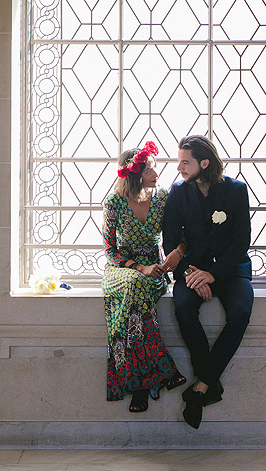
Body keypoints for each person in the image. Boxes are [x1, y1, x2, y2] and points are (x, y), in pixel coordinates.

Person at [162, 134, 254, 429]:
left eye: (185, 162)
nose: (179, 168)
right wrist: (191, 275)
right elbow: (171, 240)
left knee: (240, 311)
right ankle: (209, 384)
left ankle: (201, 386)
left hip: (230, 269)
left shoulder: (236, 191)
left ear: (204, 163)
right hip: (192, 271)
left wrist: (214, 274)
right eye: (179, 162)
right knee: (184, 309)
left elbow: (241, 242)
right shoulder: (177, 193)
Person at [102, 141, 186, 413]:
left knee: (132, 305)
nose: (156, 173)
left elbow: (182, 234)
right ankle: (161, 371)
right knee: (136, 284)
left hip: (155, 268)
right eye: (150, 169)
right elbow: (109, 251)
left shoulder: (161, 198)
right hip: (121, 269)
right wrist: (139, 268)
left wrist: (175, 254)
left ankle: (139, 386)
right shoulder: (114, 202)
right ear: (136, 174)